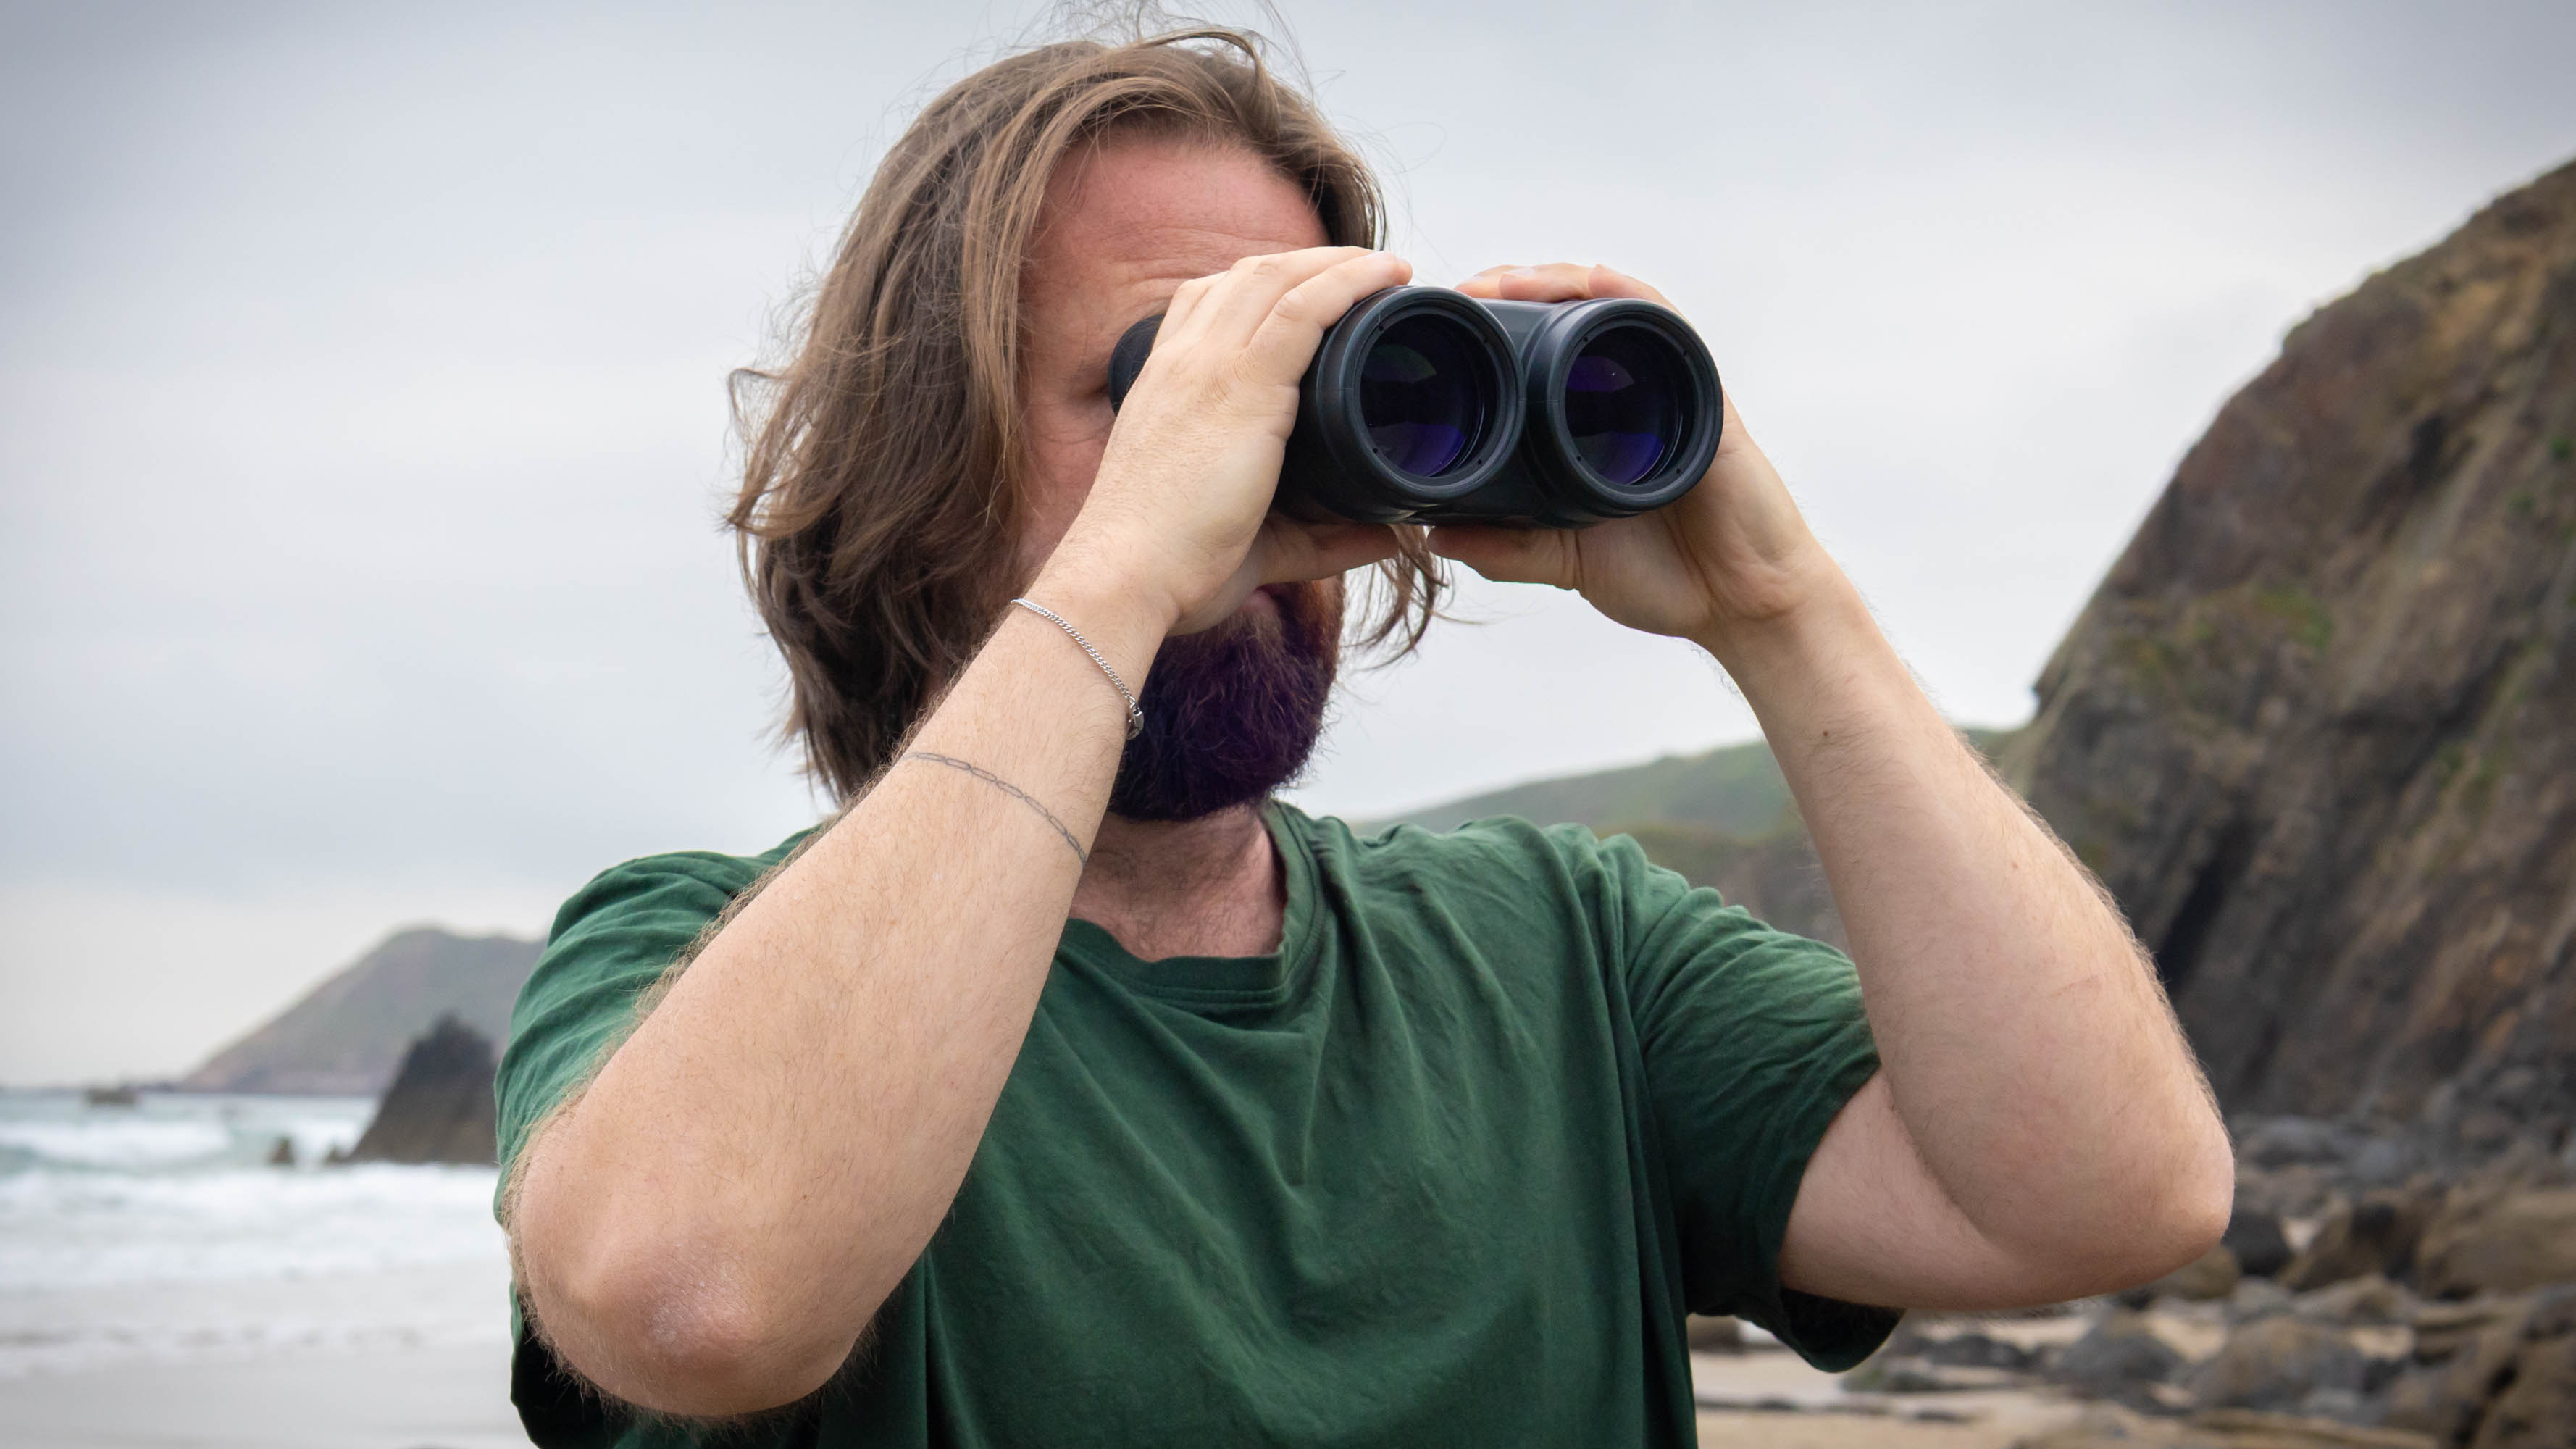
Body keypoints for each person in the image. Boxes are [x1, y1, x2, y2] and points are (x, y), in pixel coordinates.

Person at [495, 25, 2233, 1448]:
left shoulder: (1565, 955)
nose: (1248, 461)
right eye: (1166, 382)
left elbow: (2106, 1196)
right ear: (926, 458)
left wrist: (1778, 606)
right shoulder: (678, 965)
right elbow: (696, 1300)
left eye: (1303, 374)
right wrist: (1120, 578)